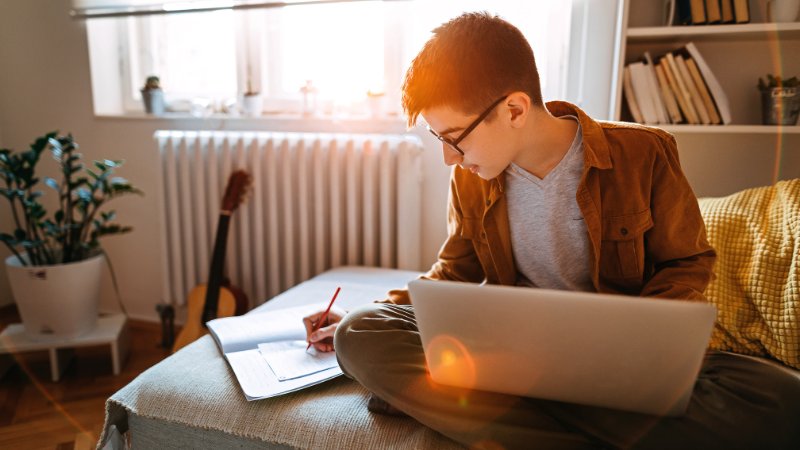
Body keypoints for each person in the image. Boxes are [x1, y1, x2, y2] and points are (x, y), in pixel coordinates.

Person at [302, 12, 800, 450]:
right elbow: (453, 273)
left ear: (515, 110)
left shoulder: (644, 153)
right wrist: (384, 309)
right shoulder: (470, 180)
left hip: (617, 359)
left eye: (454, 138)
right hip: (511, 354)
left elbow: (687, 262)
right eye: (439, 139)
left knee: (781, 401)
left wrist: (643, 346)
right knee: (360, 332)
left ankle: (468, 412)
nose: (448, 158)